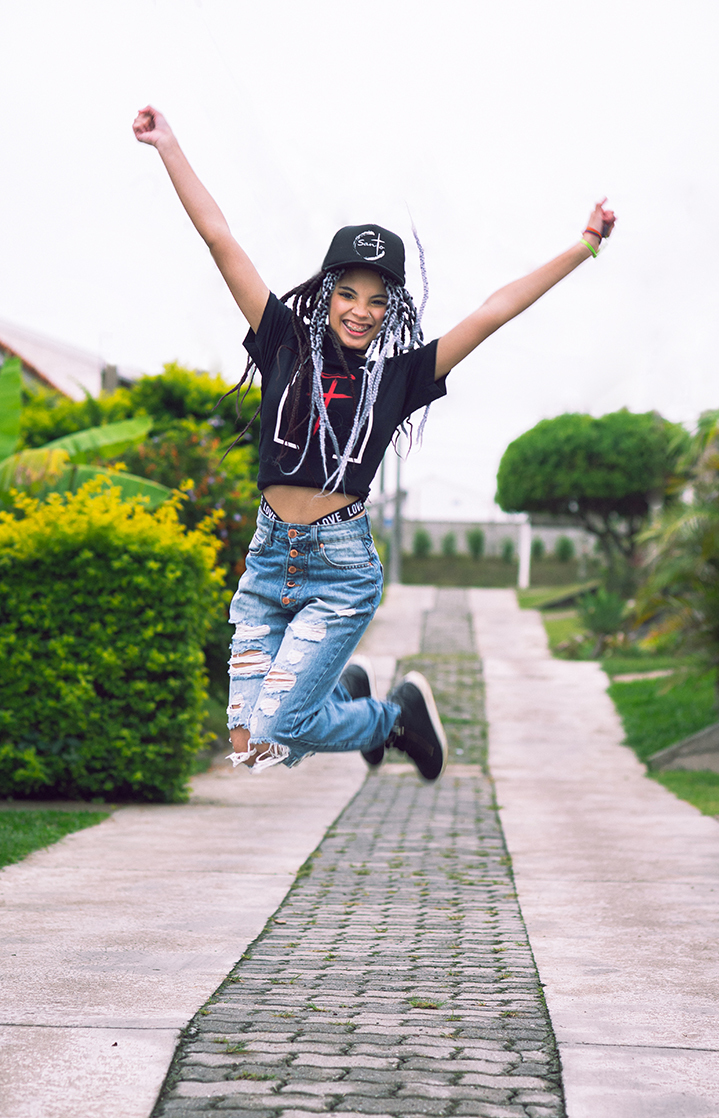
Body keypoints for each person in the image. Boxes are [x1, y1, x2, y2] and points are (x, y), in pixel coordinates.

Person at [132, 105, 615, 783]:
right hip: (269, 560)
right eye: (349, 294)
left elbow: (492, 311)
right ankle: (362, 706)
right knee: (250, 746)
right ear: (327, 293)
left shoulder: (398, 378)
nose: (361, 310)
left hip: (338, 569)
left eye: (377, 300)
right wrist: (169, 146)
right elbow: (221, 240)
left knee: (277, 733)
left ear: (391, 310)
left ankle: (392, 718)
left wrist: (581, 247)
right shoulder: (281, 343)